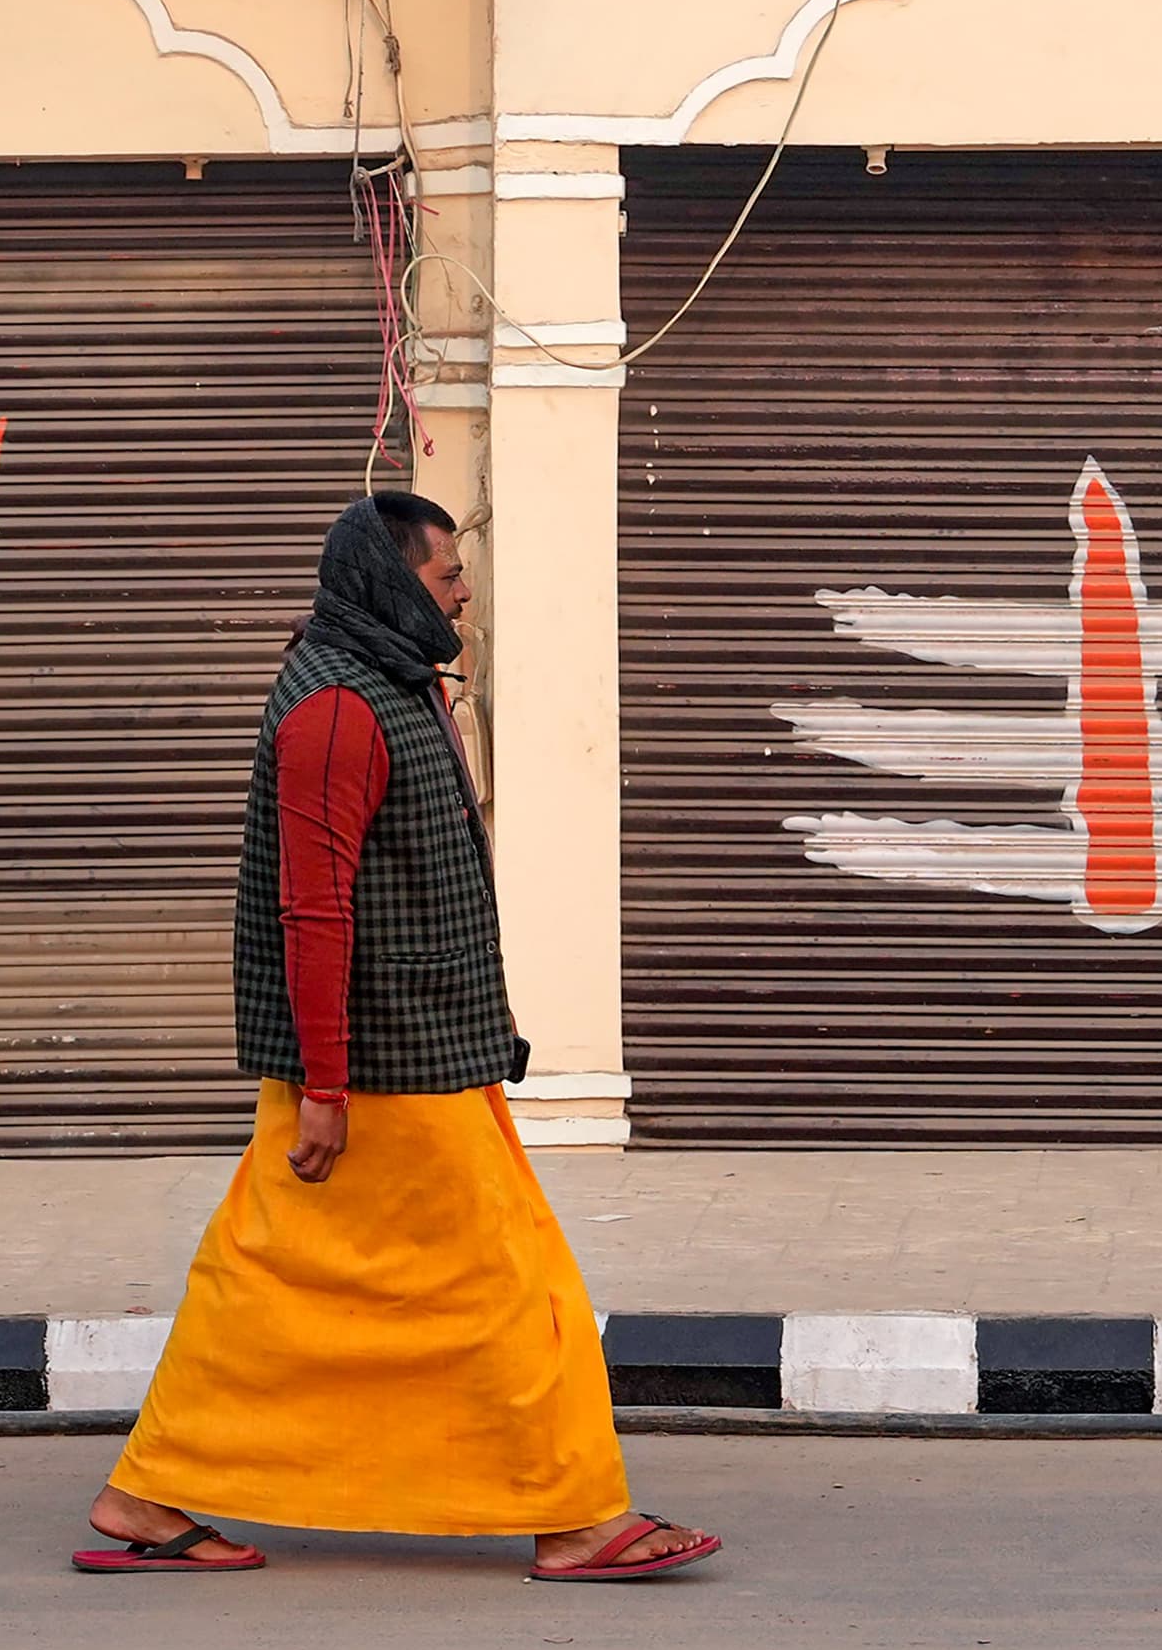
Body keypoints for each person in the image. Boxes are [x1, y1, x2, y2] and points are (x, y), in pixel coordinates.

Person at [75, 491, 719, 1581]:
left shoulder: (392, 683)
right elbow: (313, 908)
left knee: (269, 1283)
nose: (463, 592)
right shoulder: (336, 709)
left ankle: (149, 1489)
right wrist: (326, 1089)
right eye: (447, 574)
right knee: (516, 1288)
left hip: (423, 1057)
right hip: (382, 1075)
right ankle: (574, 1517)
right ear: (391, 580)